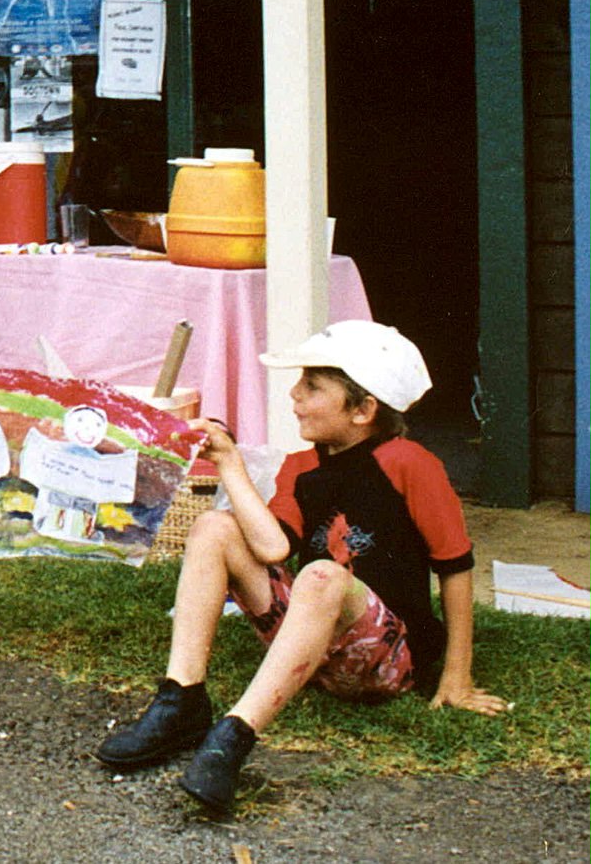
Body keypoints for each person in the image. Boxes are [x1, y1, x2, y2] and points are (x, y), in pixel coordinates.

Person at [94, 321, 508, 815]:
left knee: (322, 574)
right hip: (309, 647)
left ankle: (235, 735)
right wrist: (229, 464)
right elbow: (271, 547)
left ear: (362, 411)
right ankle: (181, 698)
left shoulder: (410, 463)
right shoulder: (299, 467)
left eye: (312, 387)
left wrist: (456, 676)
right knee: (213, 528)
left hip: (383, 659)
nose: (294, 395)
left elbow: (455, 567)